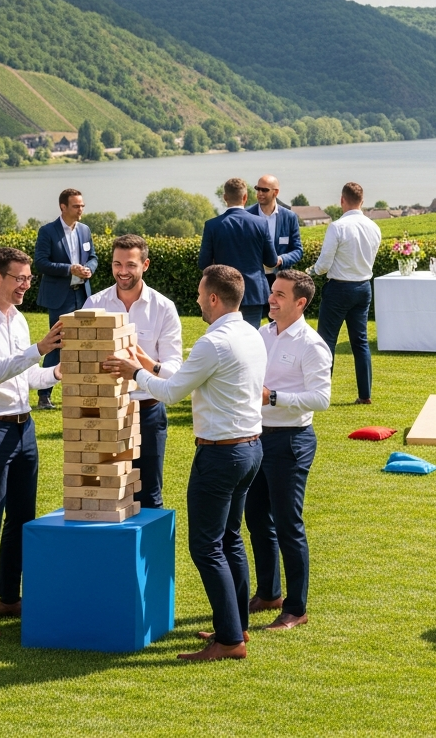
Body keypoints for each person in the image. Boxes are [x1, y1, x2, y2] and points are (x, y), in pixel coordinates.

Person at [106, 265, 267, 660]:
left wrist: (136, 371)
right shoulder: (249, 333)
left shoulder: (213, 343)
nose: (196, 299)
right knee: (230, 538)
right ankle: (236, 625)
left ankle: (229, 641)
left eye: (199, 294)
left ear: (214, 298)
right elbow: (192, 377)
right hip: (250, 450)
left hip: (220, 454)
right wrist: (153, 364)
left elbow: (172, 393)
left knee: (206, 546)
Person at [0, 247, 63, 638]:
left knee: (22, 519)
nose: (27, 284)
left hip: (24, 428)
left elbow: (26, 378)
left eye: (29, 278)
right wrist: (40, 349)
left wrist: (58, 371)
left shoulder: (20, 319)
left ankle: (9, 597)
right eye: (20, 278)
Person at [245, 270, 331, 631]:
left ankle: (296, 608)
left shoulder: (312, 345)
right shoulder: (262, 334)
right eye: (272, 292)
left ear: (301, 302)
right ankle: (269, 593)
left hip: (291, 441)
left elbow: (321, 398)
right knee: (256, 518)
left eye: (280, 295)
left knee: (287, 524)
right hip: (256, 437)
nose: (271, 299)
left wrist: (273, 397)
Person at [88, 235, 183, 509]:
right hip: (106, 412)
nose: (123, 271)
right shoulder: (94, 304)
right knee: (106, 496)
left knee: (149, 497)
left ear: (146, 265)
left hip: (148, 411)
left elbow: (173, 369)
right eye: (117, 264)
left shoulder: (164, 308)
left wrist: (139, 361)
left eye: (130, 265)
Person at [311, 182, 382, 405]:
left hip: (339, 288)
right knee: (360, 342)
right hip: (363, 288)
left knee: (326, 341)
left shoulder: (337, 227)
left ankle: (321, 393)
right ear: (362, 202)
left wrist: (309, 271)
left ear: (342, 200)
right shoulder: (374, 227)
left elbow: (323, 265)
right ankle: (365, 394)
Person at [33, 188, 97, 409]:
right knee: (58, 343)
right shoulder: (47, 231)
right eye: (76, 206)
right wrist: (70, 269)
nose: (81, 209)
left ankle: (83, 390)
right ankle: (44, 394)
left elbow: (94, 257)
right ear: (63, 207)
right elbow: (40, 262)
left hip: (83, 295)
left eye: (82, 205)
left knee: (86, 342)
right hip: (60, 298)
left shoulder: (85, 230)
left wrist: (88, 269)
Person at [199, 178, 279, 329]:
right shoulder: (260, 223)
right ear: (245, 197)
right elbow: (271, 260)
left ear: (225, 198)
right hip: (253, 292)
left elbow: (204, 263)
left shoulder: (212, 226)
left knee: (224, 338)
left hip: (223, 293)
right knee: (248, 338)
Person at [247, 176, 304, 302]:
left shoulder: (289, 217)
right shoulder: (247, 215)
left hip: (279, 279)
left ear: (276, 192)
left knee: (279, 320)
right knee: (251, 321)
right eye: (258, 189)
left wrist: (281, 259)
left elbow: (298, 250)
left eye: (264, 190)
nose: (260, 193)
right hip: (252, 279)